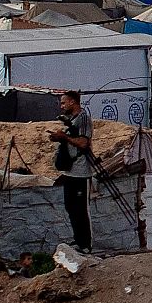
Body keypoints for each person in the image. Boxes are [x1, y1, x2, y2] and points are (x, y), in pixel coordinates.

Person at [49, 91, 94, 254]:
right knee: (71, 207)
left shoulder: (83, 119)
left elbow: (83, 143)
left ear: (73, 102)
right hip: (70, 172)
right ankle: (78, 240)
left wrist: (65, 138)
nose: (62, 106)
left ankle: (85, 245)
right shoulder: (72, 121)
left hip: (80, 172)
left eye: (64, 103)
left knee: (80, 209)